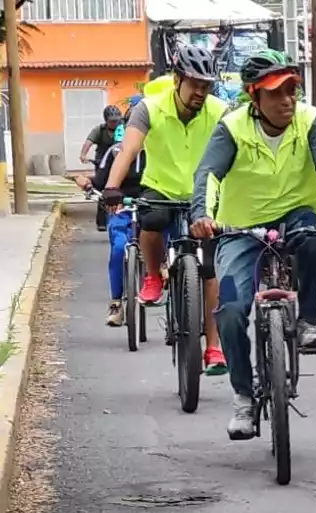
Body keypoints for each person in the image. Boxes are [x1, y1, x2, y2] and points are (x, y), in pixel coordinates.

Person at [187, 49, 316, 440]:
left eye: (292, 90)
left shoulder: (311, 121)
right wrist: (202, 215)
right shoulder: (232, 128)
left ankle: (308, 320)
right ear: (253, 96)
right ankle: (244, 398)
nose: (287, 100)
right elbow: (208, 174)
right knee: (228, 310)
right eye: (276, 93)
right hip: (240, 227)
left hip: (297, 213)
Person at [102, 45, 229, 375]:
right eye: (194, 84)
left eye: (206, 85)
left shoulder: (221, 111)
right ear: (177, 80)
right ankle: (153, 274)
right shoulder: (149, 109)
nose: (201, 92)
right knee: (153, 218)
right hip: (161, 185)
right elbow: (129, 150)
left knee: (210, 266)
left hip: (205, 192)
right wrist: (113, 188)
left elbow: (239, 154)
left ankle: (214, 348)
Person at [73, 143, 145, 326]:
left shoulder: (159, 149)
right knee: (119, 248)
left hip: (149, 208)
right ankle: (116, 304)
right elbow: (100, 182)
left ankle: (162, 266)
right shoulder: (114, 152)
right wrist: (86, 183)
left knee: (162, 226)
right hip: (120, 211)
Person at [85, 106, 124, 230]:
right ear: (106, 120)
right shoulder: (99, 130)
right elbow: (89, 141)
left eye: (116, 120)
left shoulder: (124, 128)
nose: (114, 123)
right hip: (102, 163)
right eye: (111, 121)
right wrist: (83, 154)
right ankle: (101, 222)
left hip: (119, 162)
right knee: (101, 191)